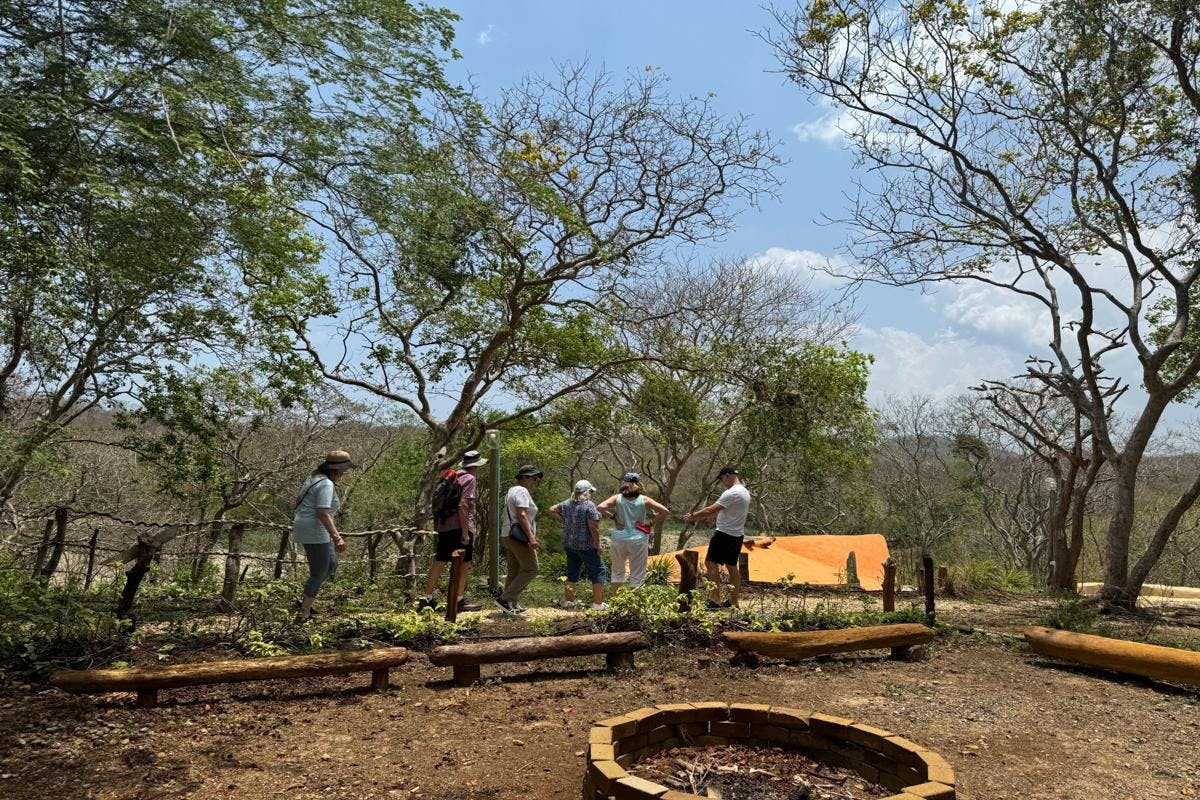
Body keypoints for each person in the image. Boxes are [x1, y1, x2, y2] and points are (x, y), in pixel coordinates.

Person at [292, 450, 357, 621]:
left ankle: (307, 598)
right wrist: (337, 537)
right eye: (343, 470)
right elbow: (322, 512)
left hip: (311, 527)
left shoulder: (313, 478)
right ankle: (304, 611)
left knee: (331, 563)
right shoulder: (326, 484)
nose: (344, 473)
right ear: (336, 469)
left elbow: (297, 501)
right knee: (319, 571)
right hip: (314, 529)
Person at [419, 450, 487, 612]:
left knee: (440, 561)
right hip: (460, 527)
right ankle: (458, 600)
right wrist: (465, 532)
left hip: (444, 527)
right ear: (476, 466)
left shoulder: (451, 476)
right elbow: (463, 505)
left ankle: (426, 599)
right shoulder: (470, 478)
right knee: (464, 564)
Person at [683, 466, 751, 608]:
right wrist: (698, 519)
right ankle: (734, 601)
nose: (722, 482)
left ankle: (715, 599)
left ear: (727, 476)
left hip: (724, 534)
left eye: (721, 479)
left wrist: (692, 516)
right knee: (732, 566)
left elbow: (710, 509)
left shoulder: (731, 493)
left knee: (710, 563)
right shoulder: (744, 492)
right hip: (737, 534)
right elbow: (717, 512)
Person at [597, 472, 669, 590]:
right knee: (638, 574)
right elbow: (665, 511)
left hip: (619, 538)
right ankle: (633, 605)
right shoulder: (643, 499)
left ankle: (616, 602)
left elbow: (600, 507)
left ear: (624, 482)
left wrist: (613, 517)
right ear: (638, 483)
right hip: (638, 538)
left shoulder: (617, 498)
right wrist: (650, 524)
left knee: (617, 571)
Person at [549, 480, 608, 611]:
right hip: (586, 545)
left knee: (572, 571)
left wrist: (565, 520)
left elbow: (552, 509)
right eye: (591, 492)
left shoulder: (567, 504)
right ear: (587, 492)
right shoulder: (589, 505)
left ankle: (569, 602)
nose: (591, 494)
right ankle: (598, 604)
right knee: (599, 570)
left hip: (570, 543)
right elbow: (594, 526)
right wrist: (598, 544)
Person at [498, 464, 543, 614]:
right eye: (533, 478)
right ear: (523, 477)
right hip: (517, 537)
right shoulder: (522, 491)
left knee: (514, 570)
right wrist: (531, 538)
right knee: (532, 569)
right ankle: (504, 599)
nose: (535, 481)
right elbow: (521, 514)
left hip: (507, 534)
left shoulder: (512, 490)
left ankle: (510, 605)